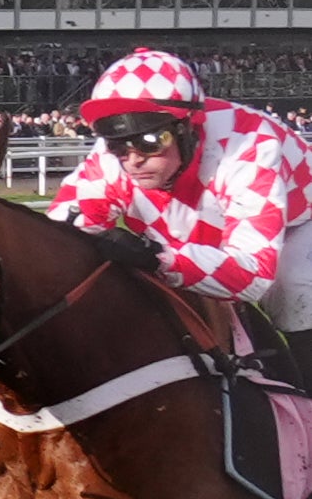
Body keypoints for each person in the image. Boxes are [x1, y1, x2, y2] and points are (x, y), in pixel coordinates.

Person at [48, 47, 312, 328]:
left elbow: (253, 276)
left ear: (186, 129)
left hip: (295, 223)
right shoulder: (111, 155)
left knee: (291, 285)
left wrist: (157, 257)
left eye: (150, 141)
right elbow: (56, 237)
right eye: (117, 142)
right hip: (197, 222)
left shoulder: (249, 144)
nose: (134, 159)